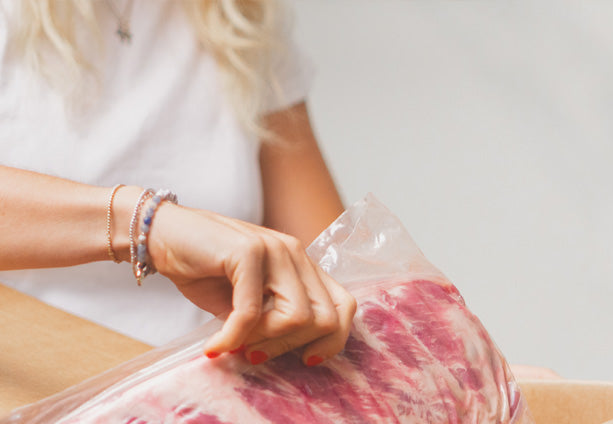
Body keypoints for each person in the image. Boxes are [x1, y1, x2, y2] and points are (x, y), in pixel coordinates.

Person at [0, 0, 355, 366]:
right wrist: (146, 224)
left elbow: (335, 266)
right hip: (39, 384)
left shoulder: (238, 18)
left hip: (212, 386)